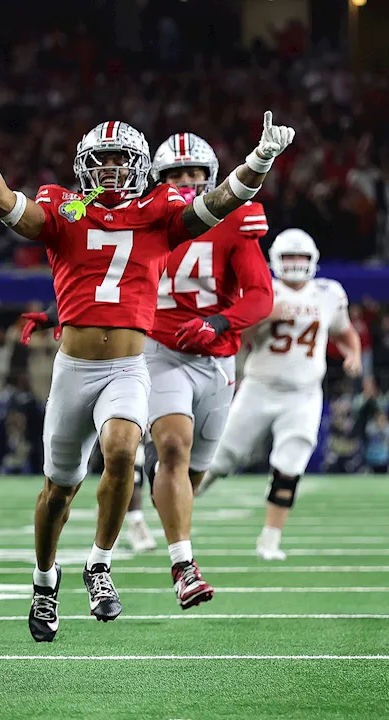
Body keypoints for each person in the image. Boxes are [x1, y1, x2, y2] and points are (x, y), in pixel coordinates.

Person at [0, 82, 295, 641]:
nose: (110, 171)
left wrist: (258, 161)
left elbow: (220, 203)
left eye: (119, 161)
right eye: (101, 161)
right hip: (73, 369)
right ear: (86, 168)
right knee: (58, 489)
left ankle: (100, 565)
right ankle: (44, 580)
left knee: (122, 452)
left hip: (131, 367)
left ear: (138, 167)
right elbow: (6, 206)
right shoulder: (65, 208)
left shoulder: (160, 214)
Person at [138, 132, 274, 609]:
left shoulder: (235, 219)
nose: (187, 183)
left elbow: (261, 295)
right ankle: (184, 566)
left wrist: (217, 321)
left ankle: (161, 489)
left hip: (217, 358)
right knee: (174, 447)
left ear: (212, 178)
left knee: (190, 474)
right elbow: (104, 274)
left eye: (195, 173)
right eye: (176, 174)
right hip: (159, 349)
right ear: (159, 180)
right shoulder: (147, 218)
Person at [198, 229, 362, 561]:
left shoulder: (329, 293)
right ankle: (177, 505)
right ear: (275, 260)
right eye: (289, 258)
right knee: (220, 459)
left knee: (290, 465)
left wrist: (353, 354)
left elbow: (345, 332)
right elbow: (238, 340)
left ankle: (270, 540)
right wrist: (261, 317)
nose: (295, 264)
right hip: (259, 387)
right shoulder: (262, 291)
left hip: (303, 394)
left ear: (313, 261)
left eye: (301, 258)